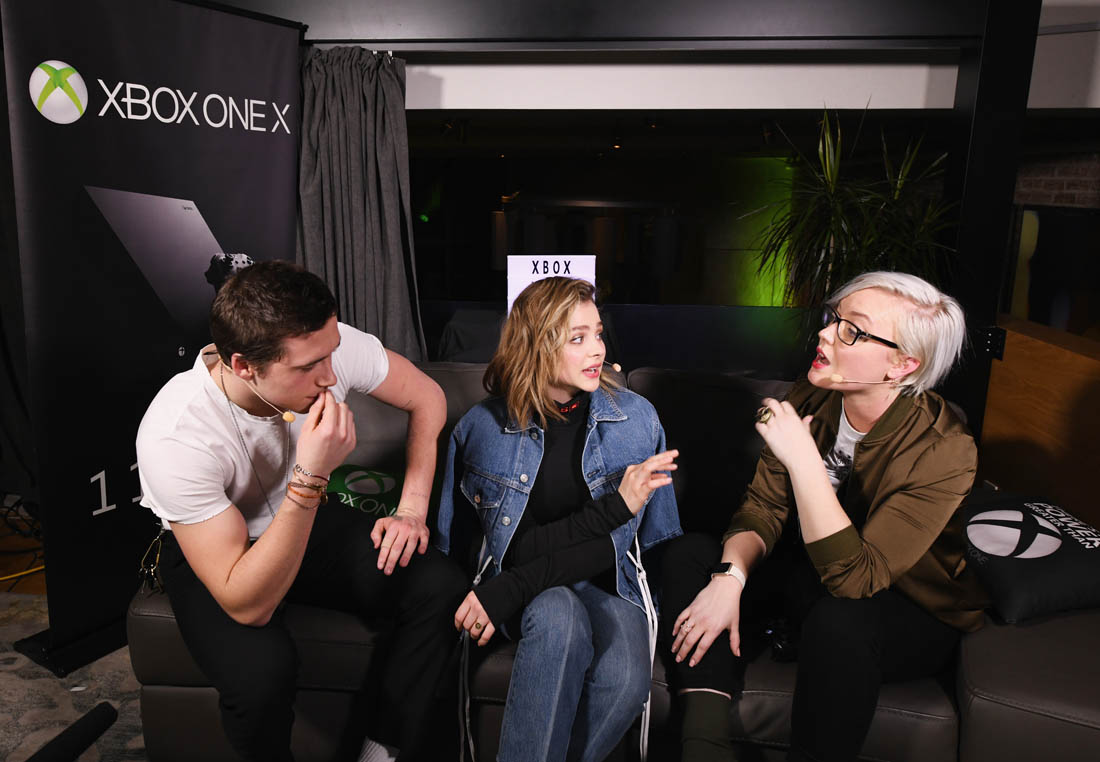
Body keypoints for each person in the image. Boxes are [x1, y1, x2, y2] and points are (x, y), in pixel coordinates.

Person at [135, 260, 466, 762]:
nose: (329, 376)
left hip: (309, 520)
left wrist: (412, 508)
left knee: (438, 585)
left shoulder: (324, 346)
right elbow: (248, 605)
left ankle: (380, 752)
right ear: (244, 366)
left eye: (331, 354)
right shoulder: (176, 434)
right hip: (223, 551)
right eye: (308, 367)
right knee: (262, 674)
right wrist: (310, 474)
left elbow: (428, 397)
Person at [661, 271, 988, 762]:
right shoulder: (810, 396)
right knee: (692, 555)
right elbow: (763, 507)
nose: (826, 333)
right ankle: (704, 747)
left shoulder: (946, 449)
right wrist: (730, 578)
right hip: (810, 578)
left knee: (840, 620)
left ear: (902, 365)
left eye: (852, 330)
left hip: (904, 606)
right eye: (834, 319)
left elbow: (858, 579)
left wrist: (805, 464)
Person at [435, 276, 682, 762]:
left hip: (607, 580)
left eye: (598, 333)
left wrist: (512, 587)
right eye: (577, 338)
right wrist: (508, 586)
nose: (597, 350)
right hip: (527, 582)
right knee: (558, 615)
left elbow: (621, 546)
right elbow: (516, 551)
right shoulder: (482, 428)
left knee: (626, 680)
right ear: (537, 345)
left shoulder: (636, 420)